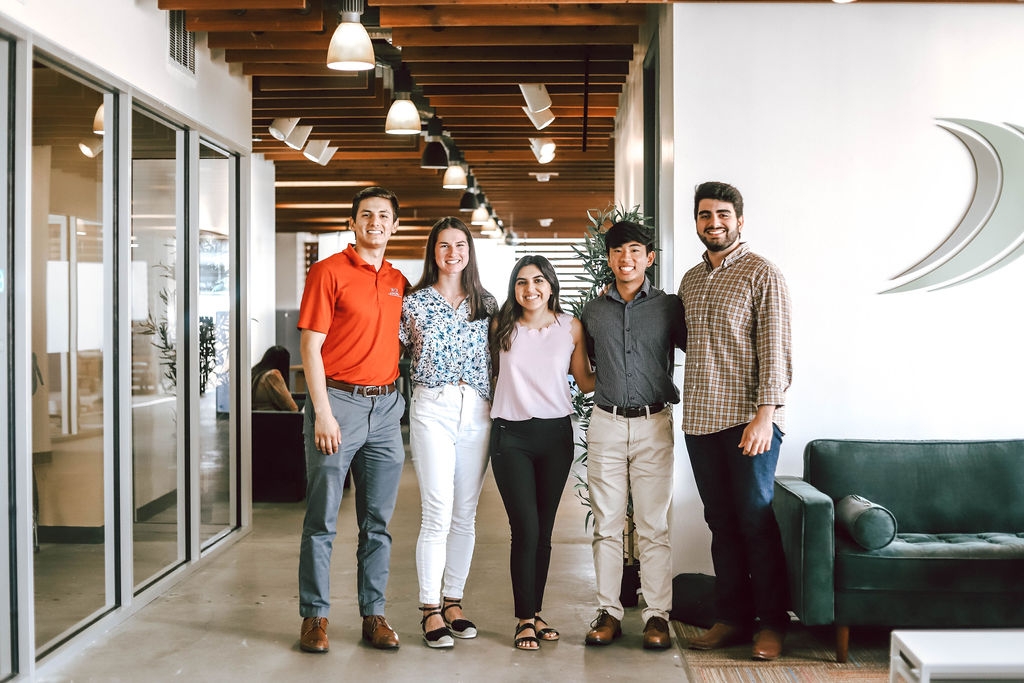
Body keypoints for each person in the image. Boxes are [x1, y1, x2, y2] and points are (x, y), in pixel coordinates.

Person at [678, 181, 792, 661]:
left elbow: (777, 351)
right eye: (705, 215)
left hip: (749, 423)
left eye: (722, 214)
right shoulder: (689, 280)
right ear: (698, 222)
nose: (714, 223)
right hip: (700, 423)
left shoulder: (762, 273)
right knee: (721, 524)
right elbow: (689, 344)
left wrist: (765, 416)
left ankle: (771, 623)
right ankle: (732, 618)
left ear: (739, 220)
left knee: (755, 522)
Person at [296, 186, 408, 653]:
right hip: (337, 404)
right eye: (367, 215)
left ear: (395, 225)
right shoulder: (327, 272)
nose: (375, 222)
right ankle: (315, 617)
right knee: (323, 519)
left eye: (384, 215)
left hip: (386, 410)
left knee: (377, 523)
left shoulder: (399, 279)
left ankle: (373, 614)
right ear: (353, 222)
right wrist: (321, 411)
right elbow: (309, 346)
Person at [580, 221, 687, 650]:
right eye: (617, 252)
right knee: (605, 526)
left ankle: (657, 616)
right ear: (608, 259)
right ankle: (609, 612)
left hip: (653, 424)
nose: (626, 259)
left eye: (634, 251)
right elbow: (583, 369)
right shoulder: (593, 311)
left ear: (649, 258)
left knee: (653, 526)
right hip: (605, 423)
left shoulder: (669, 307)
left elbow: (702, 352)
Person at [399, 217, 498, 649]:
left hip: (477, 410)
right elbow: (393, 352)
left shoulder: (488, 303)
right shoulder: (413, 302)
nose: (452, 252)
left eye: (460, 244)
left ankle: (453, 601)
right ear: (433, 251)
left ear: (469, 251)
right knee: (436, 511)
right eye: (443, 245)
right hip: (432, 408)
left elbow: (502, 360)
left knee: (465, 514)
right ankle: (429, 608)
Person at [489, 255, 594, 651]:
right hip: (510, 436)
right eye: (521, 282)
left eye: (537, 281)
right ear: (513, 288)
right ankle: (523, 619)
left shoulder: (571, 327)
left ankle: (533, 611)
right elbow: (490, 374)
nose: (529, 289)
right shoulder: (501, 326)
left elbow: (584, 381)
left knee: (545, 533)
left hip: (555, 437)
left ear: (551, 285)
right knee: (526, 530)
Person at [251, 345, 299, 412]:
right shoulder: (272, 375)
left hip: (255, 419)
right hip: (273, 420)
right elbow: (292, 408)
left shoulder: (254, 373)